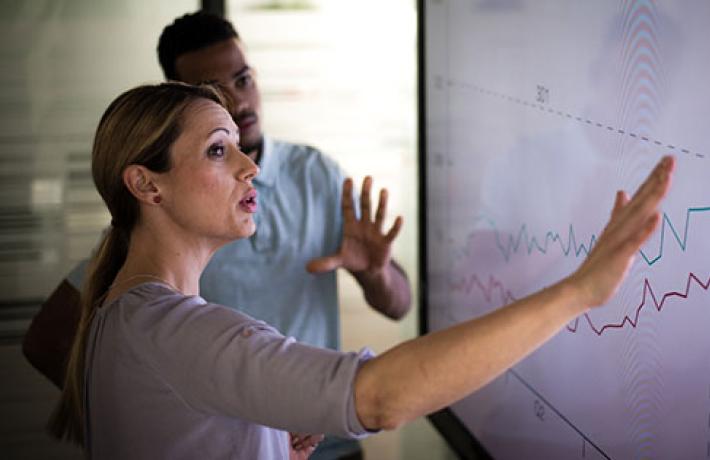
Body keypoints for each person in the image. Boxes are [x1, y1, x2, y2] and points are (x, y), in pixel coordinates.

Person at [48, 82, 673, 459]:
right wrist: (577, 293)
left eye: (238, 144)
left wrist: (260, 445)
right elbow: (380, 398)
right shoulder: (172, 330)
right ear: (145, 186)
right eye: (218, 150)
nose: (251, 167)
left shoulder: (124, 315)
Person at [23, 12, 411, 459]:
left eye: (244, 79)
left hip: (313, 445)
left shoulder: (315, 175)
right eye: (215, 148)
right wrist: (190, 425)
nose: (241, 103)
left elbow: (399, 304)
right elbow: (381, 396)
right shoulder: (163, 296)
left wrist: (375, 273)